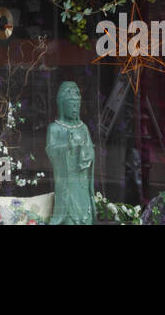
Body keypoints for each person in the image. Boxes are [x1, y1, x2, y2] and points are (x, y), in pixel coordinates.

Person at [46, 81, 95, 224]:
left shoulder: (83, 127)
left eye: (78, 105)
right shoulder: (54, 128)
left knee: (85, 215)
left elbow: (91, 152)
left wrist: (85, 150)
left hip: (82, 181)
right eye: (72, 105)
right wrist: (68, 147)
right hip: (66, 182)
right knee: (68, 216)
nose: (76, 108)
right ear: (62, 105)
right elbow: (51, 152)